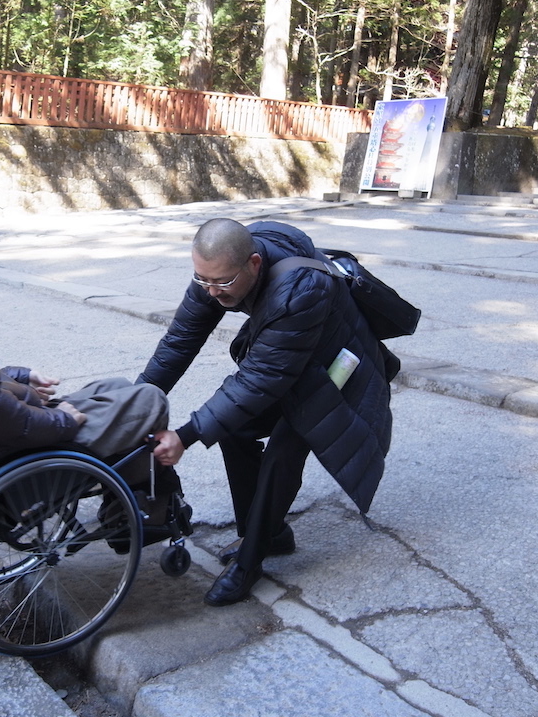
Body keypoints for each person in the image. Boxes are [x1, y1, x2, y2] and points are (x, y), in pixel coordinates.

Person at [139, 218, 396, 606]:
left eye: (222, 282)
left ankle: (249, 562)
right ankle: (268, 534)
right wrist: (138, 403)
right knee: (233, 430)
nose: (211, 291)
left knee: (284, 450)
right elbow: (181, 337)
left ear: (254, 264)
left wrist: (186, 436)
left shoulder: (299, 292)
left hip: (337, 367)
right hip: (289, 357)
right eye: (202, 279)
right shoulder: (220, 268)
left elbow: (259, 382)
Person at [0, 205, 182, 503]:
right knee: (151, 400)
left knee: (118, 386)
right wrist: (62, 421)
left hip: (19, 433)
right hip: (26, 450)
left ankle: (129, 501)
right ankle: (141, 507)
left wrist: (20, 376)